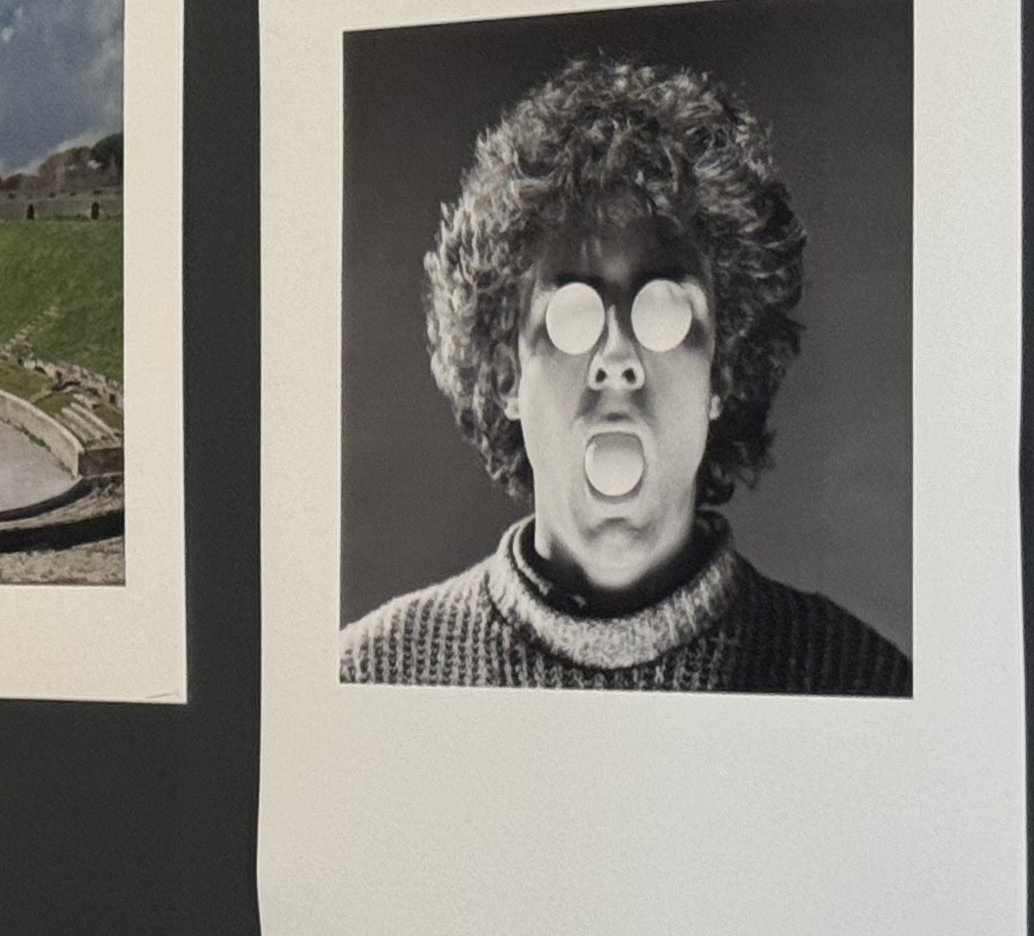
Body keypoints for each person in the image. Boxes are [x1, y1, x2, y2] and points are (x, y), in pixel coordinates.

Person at [340, 51, 907, 693]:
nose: (617, 357)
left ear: (721, 373)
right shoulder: (369, 677)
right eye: (573, 314)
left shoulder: (859, 680)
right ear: (506, 374)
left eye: (664, 311)